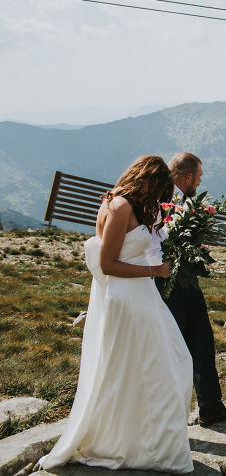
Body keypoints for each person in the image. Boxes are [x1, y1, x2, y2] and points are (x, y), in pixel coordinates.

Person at [39, 156, 193, 473]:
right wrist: (156, 270)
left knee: (163, 365)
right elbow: (108, 264)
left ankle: (144, 439)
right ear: (146, 179)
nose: (158, 195)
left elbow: (132, 249)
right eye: (158, 187)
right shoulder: (119, 207)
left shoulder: (129, 206)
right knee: (153, 370)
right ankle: (143, 445)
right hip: (127, 300)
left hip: (141, 297)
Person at [153, 152, 226, 426]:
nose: (201, 180)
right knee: (172, 348)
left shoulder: (187, 201)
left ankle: (210, 406)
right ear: (187, 176)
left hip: (187, 281)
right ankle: (165, 414)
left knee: (202, 341)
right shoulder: (161, 198)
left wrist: (195, 248)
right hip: (166, 283)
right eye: (199, 176)